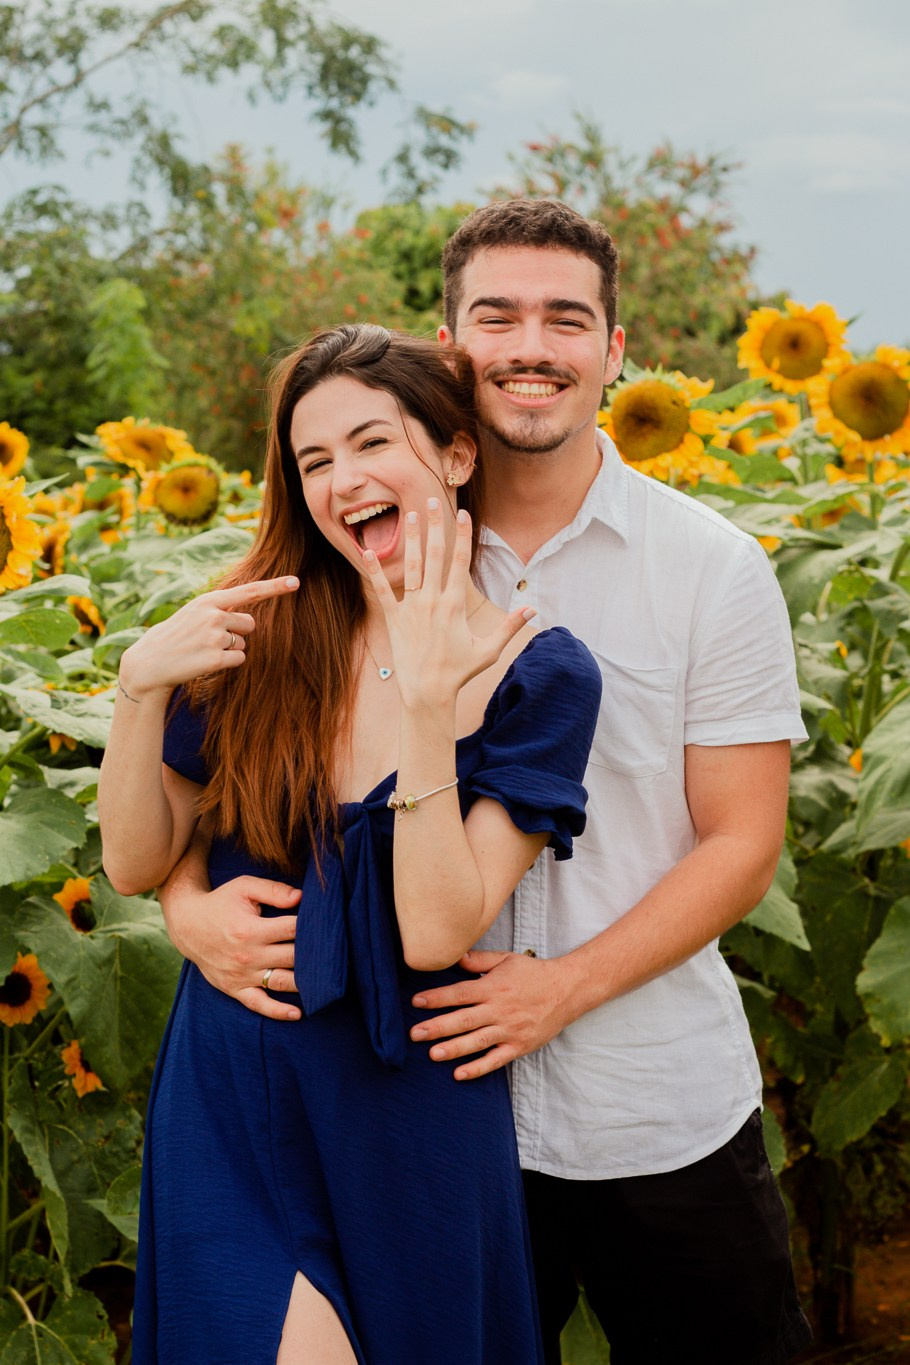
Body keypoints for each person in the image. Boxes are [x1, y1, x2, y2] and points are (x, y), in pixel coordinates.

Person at [157, 201, 814, 1365]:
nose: (531, 345)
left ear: (614, 351)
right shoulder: (357, 552)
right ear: (451, 348)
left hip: (643, 1104)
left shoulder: (709, 569)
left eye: (567, 319)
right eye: (496, 315)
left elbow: (739, 843)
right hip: (416, 1118)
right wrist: (186, 910)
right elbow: (252, 794)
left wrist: (559, 989)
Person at [97, 324, 602, 1365]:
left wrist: (427, 709)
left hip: (405, 1108)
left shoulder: (541, 674)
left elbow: (432, 929)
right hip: (230, 1093)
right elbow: (135, 864)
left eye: (373, 444)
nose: (343, 480)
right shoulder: (259, 635)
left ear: (455, 456)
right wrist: (139, 691)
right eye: (313, 461)